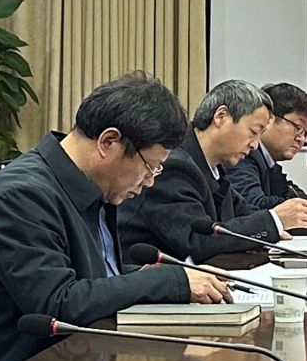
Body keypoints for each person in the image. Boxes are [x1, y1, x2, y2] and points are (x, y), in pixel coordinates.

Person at [0, 73, 230, 361]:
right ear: (108, 142)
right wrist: (171, 282)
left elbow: (91, 274)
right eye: (150, 167)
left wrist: (154, 274)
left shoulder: (90, 188)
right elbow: (58, 304)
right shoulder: (22, 195)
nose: (149, 182)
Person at [115, 79, 284, 263]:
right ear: (221, 117)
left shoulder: (213, 167)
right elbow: (197, 241)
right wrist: (273, 220)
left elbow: (241, 213)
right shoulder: (174, 165)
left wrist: (276, 222)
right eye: (253, 132)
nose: (255, 145)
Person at [225, 82, 307, 230]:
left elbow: (292, 198)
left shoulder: (269, 162)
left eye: (306, 133)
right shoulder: (243, 155)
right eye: (297, 127)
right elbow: (254, 205)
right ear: (269, 119)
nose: (301, 139)